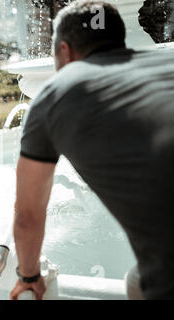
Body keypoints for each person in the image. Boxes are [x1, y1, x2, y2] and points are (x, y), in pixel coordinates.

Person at [10, 0, 174, 300]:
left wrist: (29, 276)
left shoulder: (52, 96)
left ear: (64, 51)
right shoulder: (167, 62)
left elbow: (27, 216)